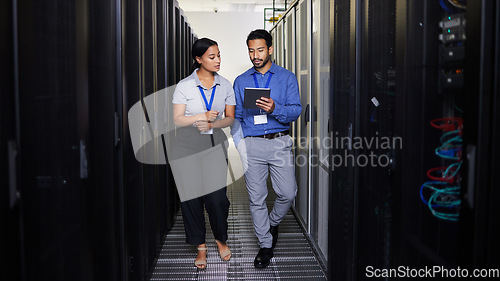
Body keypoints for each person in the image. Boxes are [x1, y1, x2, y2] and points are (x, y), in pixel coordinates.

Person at [232, 29, 302, 268]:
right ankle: (265, 245)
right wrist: (240, 144)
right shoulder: (241, 81)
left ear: (270, 49)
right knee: (256, 198)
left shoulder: (286, 77)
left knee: (288, 192)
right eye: (251, 50)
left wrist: (275, 108)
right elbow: (237, 117)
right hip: (252, 144)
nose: (255, 55)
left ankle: (272, 224)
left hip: (280, 142)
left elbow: (296, 110)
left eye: (260, 50)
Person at [171, 38, 234, 269]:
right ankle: (200, 247)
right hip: (186, 146)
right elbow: (177, 120)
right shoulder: (184, 86)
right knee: (191, 199)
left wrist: (212, 124)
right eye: (211, 57)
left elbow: (230, 118)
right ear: (198, 59)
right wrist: (201, 117)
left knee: (217, 199)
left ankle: (220, 239)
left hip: (214, 144)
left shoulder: (225, 85)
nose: (218, 60)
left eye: (219, 55)